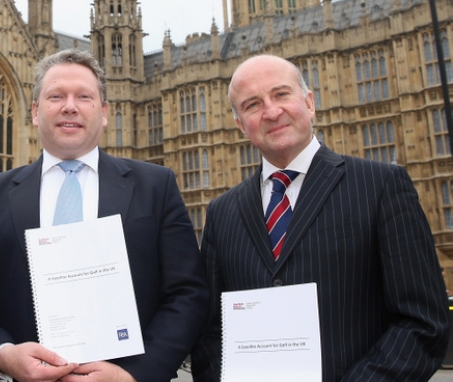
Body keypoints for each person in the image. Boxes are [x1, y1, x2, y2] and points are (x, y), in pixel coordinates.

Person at [0, 49, 209, 382]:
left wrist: (133, 376)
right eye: (56, 96)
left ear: (104, 112)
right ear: (36, 112)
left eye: (84, 96)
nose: (69, 106)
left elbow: (188, 293)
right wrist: (5, 356)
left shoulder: (156, 186)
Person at [191, 54, 449, 381]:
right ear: (241, 124)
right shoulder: (222, 212)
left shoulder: (381, 185)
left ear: (309, 103)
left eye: (281, 94)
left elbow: (423, 323)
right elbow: (209, 332)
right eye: (252, 105)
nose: (271, 111)